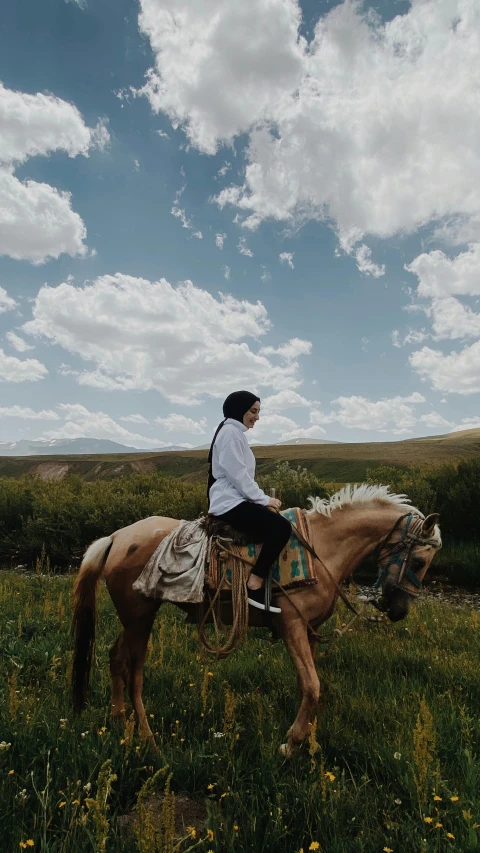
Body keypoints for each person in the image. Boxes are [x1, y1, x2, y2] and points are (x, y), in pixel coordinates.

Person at [207, 390, 291, 613]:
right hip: (229, 502)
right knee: (282, 528)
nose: (257, 417)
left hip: (233, 499)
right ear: (239, 410)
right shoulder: (231, 434)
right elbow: (237, 474)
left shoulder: (233, 432)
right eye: (253, 411)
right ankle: (254, 585)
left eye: (258, 412)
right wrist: (263, 499)